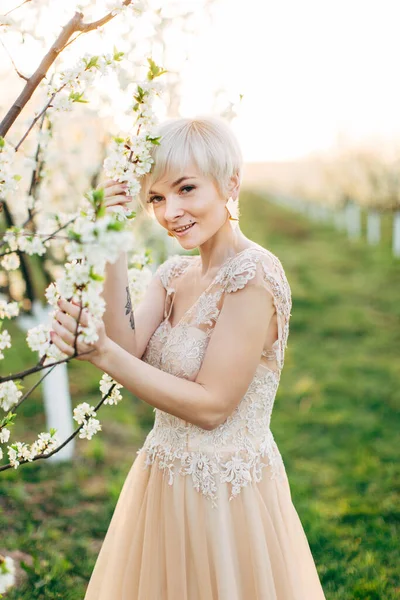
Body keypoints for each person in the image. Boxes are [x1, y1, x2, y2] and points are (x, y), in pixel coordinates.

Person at [51, 116, 326, 599]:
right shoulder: (173, 274)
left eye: (186, 189)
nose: (170, 211)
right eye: (156, 198)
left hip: (227, 493)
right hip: (162, 481)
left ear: (230, 184)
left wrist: (101, 353)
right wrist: (112, 239)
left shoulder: (254, 274)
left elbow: (212, 406)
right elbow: (126, 342)